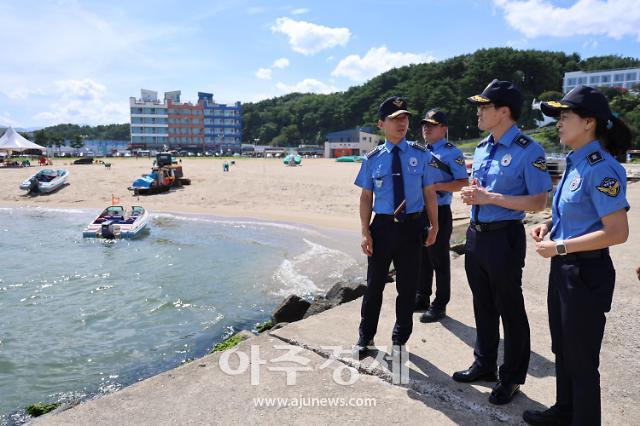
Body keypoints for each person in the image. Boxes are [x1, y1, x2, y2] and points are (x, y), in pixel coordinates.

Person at [523, 85, 631, 426]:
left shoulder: (601, 168)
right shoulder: (576, 162)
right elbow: (574, 215)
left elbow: (617, 232)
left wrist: (561, 247)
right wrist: (549, 229)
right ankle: (564, 411)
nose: (558, 123)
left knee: (582, 359)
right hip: (564, 268)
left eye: (565, 116)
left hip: (585, 272)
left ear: (589, 122)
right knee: (563, 350)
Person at [455, 79, 552, 405]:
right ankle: (484, 365)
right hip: (476, 236)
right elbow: (479, 189)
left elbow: (539, 201)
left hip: (504, 239)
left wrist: (489, 196)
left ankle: (511, 378)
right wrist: (473, 195)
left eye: (485, 106)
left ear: (504, 111)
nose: (479, 112)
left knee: (510, 310)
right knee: (482, 304)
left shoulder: (529, 150)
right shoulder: (483, 148)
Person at [353, 96, 439, 358]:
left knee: (407, 288)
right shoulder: (372, 159)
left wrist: (434, 225)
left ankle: (400, 341)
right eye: (395, 118)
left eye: (405, 117)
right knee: (374, 286)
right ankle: (365, 338)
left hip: (412, 228)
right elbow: (366, 196)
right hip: (382, 228)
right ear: (381, 124)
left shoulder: (421, 155)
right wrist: (365, 231)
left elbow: (429, 192)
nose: (402, 123)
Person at [414, 109, 468, 322]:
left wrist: (435, 186)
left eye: (432, 124)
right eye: (424, 124)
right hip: (420, 211)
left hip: (440, 211)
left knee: (439, 260)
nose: (426, 128)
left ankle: (440, 304)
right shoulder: (419, 150)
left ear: (444, 129)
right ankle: (422, 297)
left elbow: (463, 183)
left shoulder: (451, 152)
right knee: (423, 258)